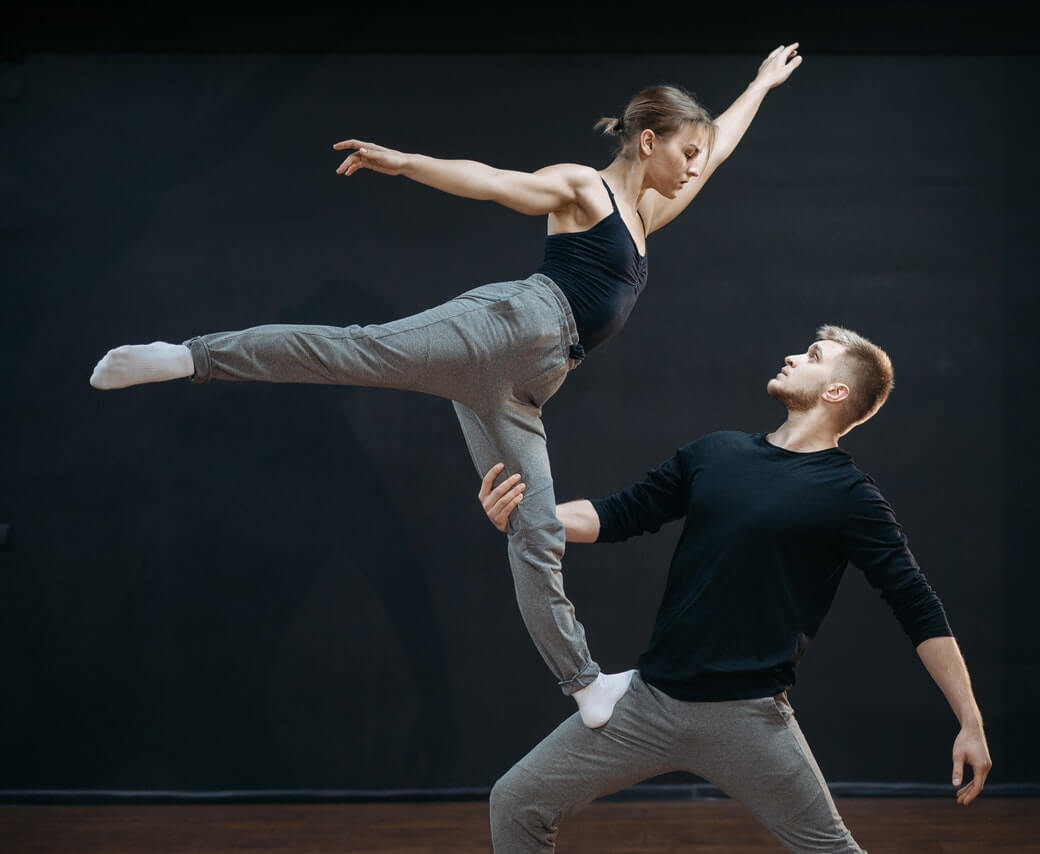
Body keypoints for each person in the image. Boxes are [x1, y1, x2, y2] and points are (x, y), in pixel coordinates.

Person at [86, 45, 804, 727]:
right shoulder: (587, 189)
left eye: (697, 157)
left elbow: (720, 152)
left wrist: (762, 87)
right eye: (684, 152)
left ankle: (584, 684)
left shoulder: (650, 216)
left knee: (536, 530)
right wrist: (407, 163)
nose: (693, 169)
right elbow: (494, 181)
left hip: (522, 390)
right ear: (647, 142)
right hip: (505, 327)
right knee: (352, 350)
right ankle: (183, 358)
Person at [476, 325, 992, 852]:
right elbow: (614, 515)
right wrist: (529, 519)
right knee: (517, 800)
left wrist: (969, 721)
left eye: (813, 355)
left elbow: (916, 604)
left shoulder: (851, 496)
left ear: (837, 391)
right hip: (648, 704)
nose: (792, 356)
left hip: (747, 719)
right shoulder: (715, 454)